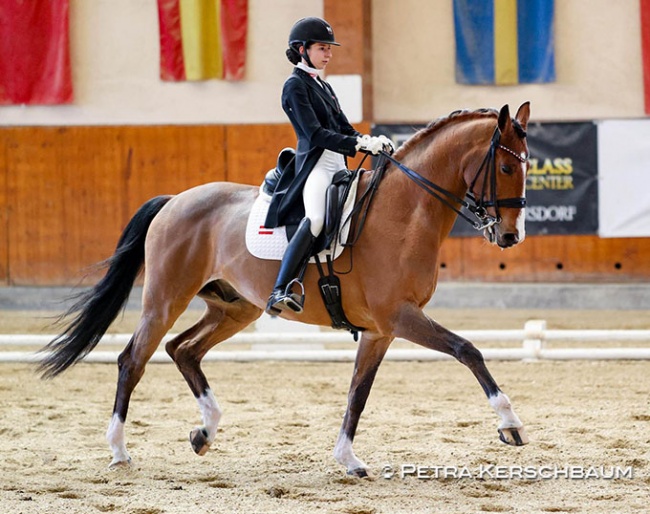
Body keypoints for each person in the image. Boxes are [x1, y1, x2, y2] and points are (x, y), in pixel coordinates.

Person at [265, 16, 394, 316]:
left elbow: (343, 127)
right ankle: (280, 289)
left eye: (329, 48)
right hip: (316, 167)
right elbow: (315, 134)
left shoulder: (322, 85)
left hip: (339, 164)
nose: (329, 54)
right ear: (301, 49)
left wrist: (368, 140)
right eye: (322, 48)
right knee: (317, 219)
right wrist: (357, 146)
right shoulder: (295, 86)